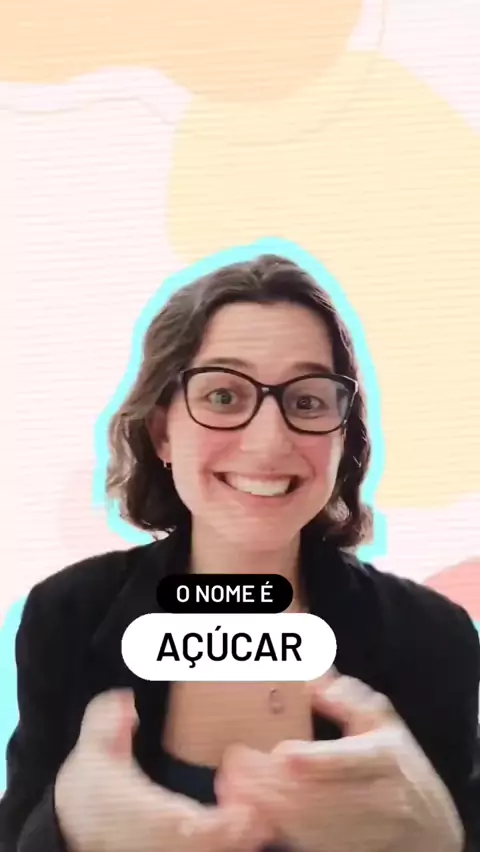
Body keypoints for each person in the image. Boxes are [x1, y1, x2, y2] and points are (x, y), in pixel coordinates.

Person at [0, 253, 479, 852]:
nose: (269, 442)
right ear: (162, 432)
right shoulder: (66, 616)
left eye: (307, 401)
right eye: (224, 396)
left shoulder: (434, 637)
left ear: (342, 437)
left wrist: (438, 840)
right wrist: (66, 825)